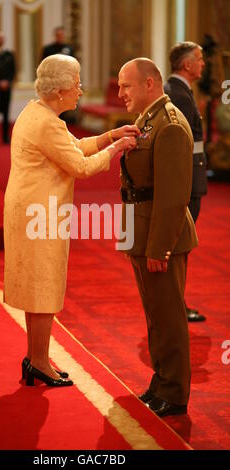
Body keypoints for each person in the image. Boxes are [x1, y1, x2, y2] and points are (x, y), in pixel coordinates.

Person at [3, 54, 139, 388]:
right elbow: (80, 166)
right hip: (40, 214)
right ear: (61, 88)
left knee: (38, 287)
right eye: (77, 84)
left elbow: (74, 147)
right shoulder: (46, 122)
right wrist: (119, 146)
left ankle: (37, 358)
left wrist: (109, 136)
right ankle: (37, 360)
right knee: (44, 287)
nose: (80, 91)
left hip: (33, 209)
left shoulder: (37, 112)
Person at [118, 58, 198, 416]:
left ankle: (175, 392)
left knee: (168, 316)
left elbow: (172, 196)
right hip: (142, 228)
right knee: (155, 314)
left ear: (150, 84)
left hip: (161, 236)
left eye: (126, 86)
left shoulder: (170, 126)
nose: (120, 93)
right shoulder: (148, 120)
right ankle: (161, 379)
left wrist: (160, 248)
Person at [164, 42, 208, 322]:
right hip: (187, 183)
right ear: (187, 65)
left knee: (181, 247)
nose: (203, 63)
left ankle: (175, 303)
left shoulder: (181, 91)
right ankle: (175, 305)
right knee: (179, 248)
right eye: (200, 59)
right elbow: (179, 146)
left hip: (192, 179)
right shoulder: (177, 94)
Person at [0, 31, 16, 144]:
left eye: (1, 39)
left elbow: (13, 71)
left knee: (6, 113)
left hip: (6, 89)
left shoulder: (9, 55)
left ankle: (5, 137)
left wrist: (7, 82)